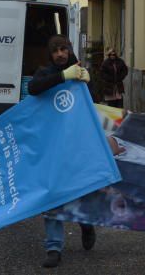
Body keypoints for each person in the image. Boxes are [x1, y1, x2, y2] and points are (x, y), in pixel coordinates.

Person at [28, 35, 96, 269]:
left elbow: (93, 104)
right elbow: (33, 88)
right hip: (51, 147)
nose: (60, 54)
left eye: (64, 49)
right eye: (56, 50)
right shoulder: (45, 73)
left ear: (69, 51)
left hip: (76, 145)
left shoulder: (79, 73)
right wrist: (62, 77)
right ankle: (54, 247)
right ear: (51, 54)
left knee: (80, 193)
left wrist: (89, 83)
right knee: (52, 195)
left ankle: (86, 225)